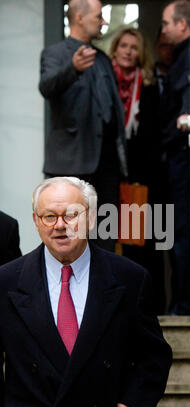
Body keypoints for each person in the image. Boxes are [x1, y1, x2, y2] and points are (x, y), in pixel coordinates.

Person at [0, 176, 172, 407]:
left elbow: (153, 356)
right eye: (49, 216)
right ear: (35, 221)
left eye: (70, 215)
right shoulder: (6, 281)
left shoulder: (129, 278)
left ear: (91, 219)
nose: (59, 225)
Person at [39, 0, 128, 252]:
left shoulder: (102, 59)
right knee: (67, 240)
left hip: (106, 165)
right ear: (79, 17)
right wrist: (73, 69)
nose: (104, 22)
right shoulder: (55, 54)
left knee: (105, 240)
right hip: (71, 164)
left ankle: (100, 293)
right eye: (99, 16)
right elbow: (47, 87)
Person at [109, 28, 166, 314]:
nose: (129, 51)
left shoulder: (150, 84)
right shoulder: (105, 80)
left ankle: (150, 305)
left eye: (134, 47)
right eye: (124, 45)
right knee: (109, 239)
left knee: (143, 241)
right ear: (115, 48)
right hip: (110, 174)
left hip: (143, 178)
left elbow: (155, 134)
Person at [160, 0, 190, 315]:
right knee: (171, 233)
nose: (164, 29)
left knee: (180, 232)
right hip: (175, 160)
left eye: (167, 22)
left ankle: (184, 305)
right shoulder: (182, 59)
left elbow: (183, 116)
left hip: (183, 160)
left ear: (183, 24)